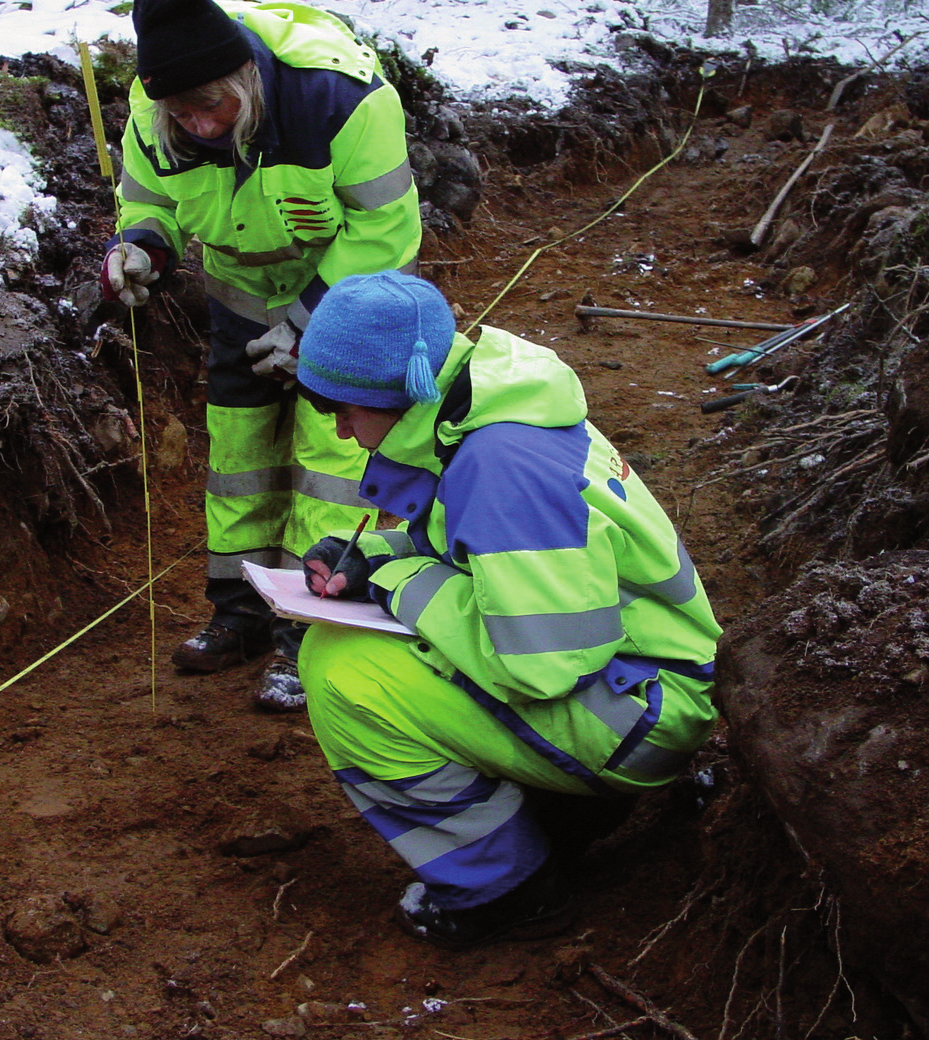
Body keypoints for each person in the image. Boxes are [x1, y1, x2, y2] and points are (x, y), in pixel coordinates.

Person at [291, 270, 721, 949]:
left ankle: (506, 888)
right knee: (365, 652)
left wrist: (396, 582)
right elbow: (481, 550)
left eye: (345, 407)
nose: (340, 430)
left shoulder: (501, 464)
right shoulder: (484, 405)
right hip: (645, 682)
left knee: (345, 676)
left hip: (640, 714)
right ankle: (553, 814)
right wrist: (377, 555)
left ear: (404, 390)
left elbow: (543, 665)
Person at [102, 0, 421, 712]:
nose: (200, 123)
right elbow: (148, 201)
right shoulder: (156, 116)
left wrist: (312, 324)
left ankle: (308, 633)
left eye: (211, 104)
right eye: (181, 110)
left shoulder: (340, 98)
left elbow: (387, 230)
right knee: (241, 459)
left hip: (344, 304)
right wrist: (142, 248)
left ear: (246, 75)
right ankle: (240, 613)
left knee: (333, 462)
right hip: (240, 302)